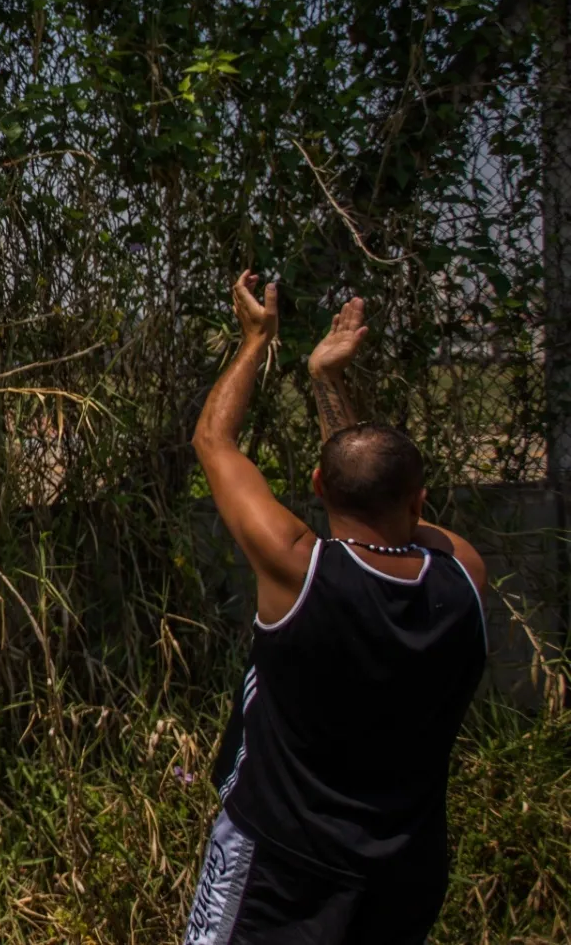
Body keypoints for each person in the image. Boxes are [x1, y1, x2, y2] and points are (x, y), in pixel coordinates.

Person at [182, 280, 488, 945]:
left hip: (278, 867)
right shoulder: (463, 577)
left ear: (318, 486)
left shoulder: (299, 570)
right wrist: (327, 380)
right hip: (404, 872)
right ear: (419, 500)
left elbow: (214, 441)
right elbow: (388, 509)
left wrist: (256, 340)